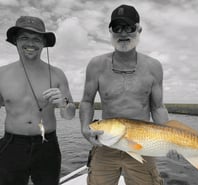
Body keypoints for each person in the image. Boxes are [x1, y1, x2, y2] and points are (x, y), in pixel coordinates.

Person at [79, 4, 169, 185]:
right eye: (117, 28)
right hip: (106, 143)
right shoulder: (96, 65)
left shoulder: (154, 66)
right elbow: (87, 101)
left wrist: (170, 138)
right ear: (110, 31)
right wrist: (84, 128)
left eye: (129, 27)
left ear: (139, 29)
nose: (123, 33)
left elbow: (157, 107)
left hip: (143, 143)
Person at [0, 16, 76, 185]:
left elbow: (70, 115)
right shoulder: (2, 74)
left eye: (36, 39)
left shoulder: (57, 74)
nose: (30, 44)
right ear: (15, 41)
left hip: (47, 146)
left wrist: (63, 103)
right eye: (24, 38)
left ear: (43, 43)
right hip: (12, 145)